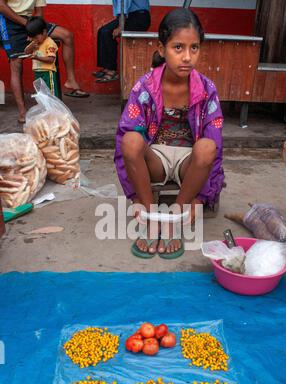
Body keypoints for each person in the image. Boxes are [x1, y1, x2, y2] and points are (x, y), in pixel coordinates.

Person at [114, 8, 224, 259]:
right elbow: (126, 138)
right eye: (178, 48)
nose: (187, 57)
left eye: (194, 48)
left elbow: (215, 147)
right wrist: (135, 198)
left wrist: (202, 197)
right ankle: (153, 218)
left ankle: (175, 215)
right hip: (157, 158)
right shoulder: (146, 86)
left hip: (189, 161)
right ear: (162, 49)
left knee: (207, 146)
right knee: (130, 140)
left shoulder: (207, 89)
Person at [0, 0, 89, 124]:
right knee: (16, 64)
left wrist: (37, 31)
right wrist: (27, 25)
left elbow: (40, 13)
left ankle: (70, 80)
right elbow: (1, 6)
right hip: (9, 21)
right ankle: (22, 112)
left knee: (66, 35)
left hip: (31, 22)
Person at [94, 0, 150, 83]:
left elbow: (124, 4)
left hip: (139, 17)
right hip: (132, 16)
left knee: (106, 32)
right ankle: (106, 67)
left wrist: (121, 26)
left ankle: (111, 70)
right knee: (102, 31)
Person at [24, 16, 59, 97]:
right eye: (32, 38)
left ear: (44, 32)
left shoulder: (50, 43)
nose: (34, 39)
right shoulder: (35, 42)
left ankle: (53, 109)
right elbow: (26, 52)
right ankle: (46, 109)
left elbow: (51, 59)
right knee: (41, 94)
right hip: (37, 72)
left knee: (51, 94)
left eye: (36, 37)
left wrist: (37, 57)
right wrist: (31, 45)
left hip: (47, 72)